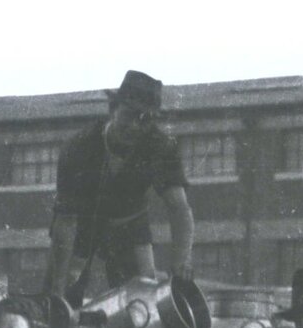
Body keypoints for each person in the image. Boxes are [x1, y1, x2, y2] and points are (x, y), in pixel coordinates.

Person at [43, 69, 194, 303]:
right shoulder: (79, 147)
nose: (134, 125)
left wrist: (180, 262)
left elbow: (179, 208)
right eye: (129, 115)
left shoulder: (161, 147)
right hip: (82, 226)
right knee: (59, 300)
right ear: (113, 110)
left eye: (144, 119)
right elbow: (66, 222)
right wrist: (57, 288)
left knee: (141, 302)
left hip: (130, 227)